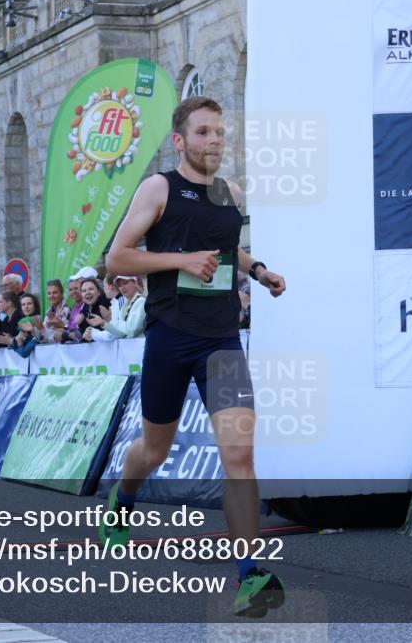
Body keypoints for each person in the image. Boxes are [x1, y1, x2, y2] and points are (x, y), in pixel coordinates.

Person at [101, 96, 288, 617]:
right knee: (153, 450)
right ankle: (123, 496)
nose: (215, 141)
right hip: (169, 338)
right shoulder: (159, 187)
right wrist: (181, 259)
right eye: (204, 133)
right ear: (180, 141)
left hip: (221, 341)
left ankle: (249, 575)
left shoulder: (229, 193)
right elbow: (117, 257)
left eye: (220, 133)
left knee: (240, 456)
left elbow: (228, 249)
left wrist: (259, 271)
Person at [88, 275, 146, 342]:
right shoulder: (125, 305)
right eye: (119, 285)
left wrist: (110, 320)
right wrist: (103, 323)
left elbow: (132, 330)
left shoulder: (141, 301)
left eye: (125, 283)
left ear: (135, 283)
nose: (122, 287)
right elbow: (121, 334)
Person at [77, 278, 112, 342]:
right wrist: (81, 324)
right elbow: (85, 337)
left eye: (91, 289)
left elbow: (111, 333)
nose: (87, 292)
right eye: (84, 291)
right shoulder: (85, 308)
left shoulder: (107, 304)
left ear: (99, 292)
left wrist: (108, 320)